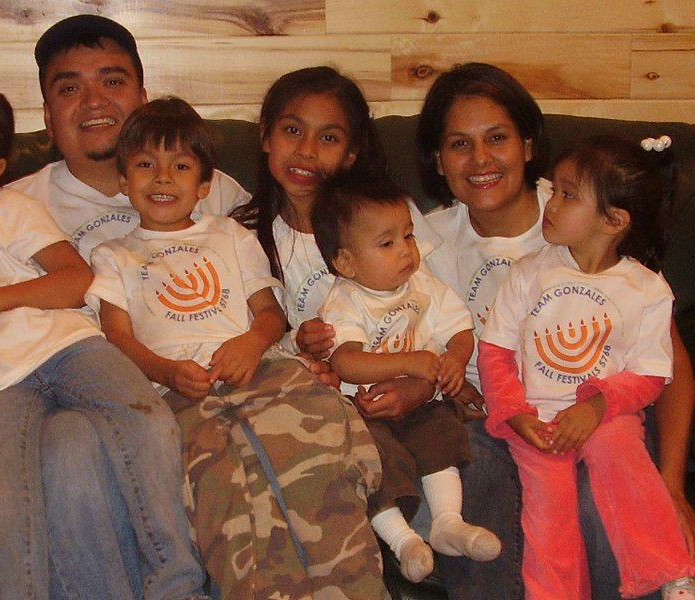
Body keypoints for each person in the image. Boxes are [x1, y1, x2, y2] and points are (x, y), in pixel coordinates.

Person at [0, 79, 205, 600]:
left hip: (67, 347)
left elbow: (75, 280)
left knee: (147, 422)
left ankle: (177, 584)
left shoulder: (8, 208)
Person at [87, 95, 389, 600]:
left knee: (316, 472)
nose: (163, 178)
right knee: (228, 496)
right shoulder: (113, 255)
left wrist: (251, 344)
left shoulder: (230, 234)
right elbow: (116, 337)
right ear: (123, 180)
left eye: (180, 166)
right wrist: (166, 369)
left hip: (262, 371)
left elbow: (271, 315)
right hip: (179, 394)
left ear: (204, 185)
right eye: (145, 165)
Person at [416, 62, 695, 600]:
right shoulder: (426, 244)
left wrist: (673, 484)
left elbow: (667, 361)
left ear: (526, 143)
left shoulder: (587, 205)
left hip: (602, 410)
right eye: (459, 144)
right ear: (437, 159)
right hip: (494, 416)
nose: (480, 160)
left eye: (496, 138)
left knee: (598, 493)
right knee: (476, 469)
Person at [478, 134, 695, 599]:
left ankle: (670, 571)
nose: (550, 204)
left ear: (613, 220)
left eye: (568, 194)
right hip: (536, 421)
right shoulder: (529, 273)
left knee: (624, 459)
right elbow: (494, 353)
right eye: (553, 189)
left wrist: (598, 406)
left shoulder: (646, 288)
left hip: (606, 416)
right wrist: (516, 413)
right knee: (547, 511)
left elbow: (652, 374)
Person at [311, 171, 501, 584]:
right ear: (346, 261)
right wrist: (412, 362)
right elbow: (347, 363)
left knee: (443, 433)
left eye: (409, 236)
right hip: (367, 415)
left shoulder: (422, 285)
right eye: (387, 243)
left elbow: (459, 328)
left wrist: (453, 357)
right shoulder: (345, 299)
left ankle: (448, 522)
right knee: (375, 461)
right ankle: (403, 541)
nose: (406, 251)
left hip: (423, 407)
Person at [231, 65, 437, 403]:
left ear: (350, 154)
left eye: (328, 138)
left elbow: (434, 304)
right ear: (266, 136)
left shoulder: (388, 212)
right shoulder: (242, 235)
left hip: (408, 381)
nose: (307, 150)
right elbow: (248, 342)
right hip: (311, 401)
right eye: (293, 130)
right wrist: (298, 343)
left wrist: (422, 388)